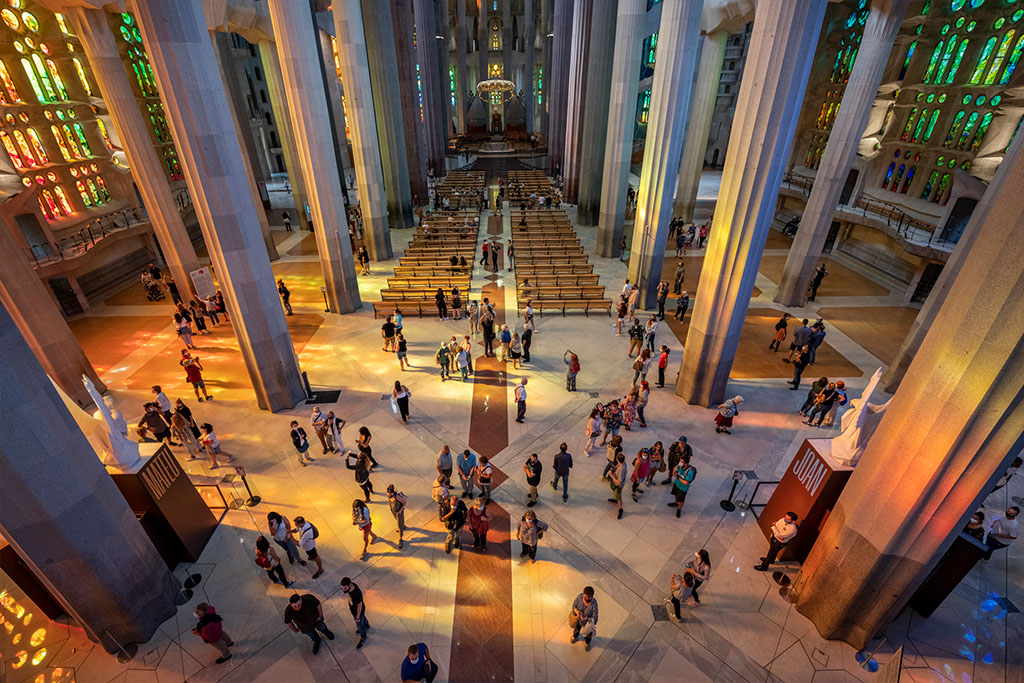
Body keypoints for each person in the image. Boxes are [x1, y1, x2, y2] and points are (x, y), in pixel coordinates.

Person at [340, 577, 370, 649]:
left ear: (349, 584)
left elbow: (360, 605)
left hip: (357, 612)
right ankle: (367, 625)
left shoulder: (355, 594)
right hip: (356, 609)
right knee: (363, 618)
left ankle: (363, 637)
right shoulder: (352, 585)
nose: (343, 589)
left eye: (345, 588)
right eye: (342, 588)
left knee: (359, 625)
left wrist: (357, 617)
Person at [569, 587, 599, 651]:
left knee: (588, 635)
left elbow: (595, 617)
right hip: (578, 619)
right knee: (576, 629)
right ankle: (575, 636)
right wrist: (578, 612)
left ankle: (587, 642)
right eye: (585, 596)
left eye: (589, 597)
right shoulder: (580, 597)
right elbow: (574, 606)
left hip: (587, 623)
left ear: (592, 596)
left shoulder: (594, 603)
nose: (587, 599)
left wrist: (587, 618)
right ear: (583, 594)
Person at [608, 451, 627, 519]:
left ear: (617, 459)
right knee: (616, 494)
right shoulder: (623, 463)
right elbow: (617, 465)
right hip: (617, 484)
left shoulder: (621, 470)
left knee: (618, 497)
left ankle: (620, 509)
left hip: (618, 486)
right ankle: (616, 499)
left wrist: (611, 475)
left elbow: (619, 482)